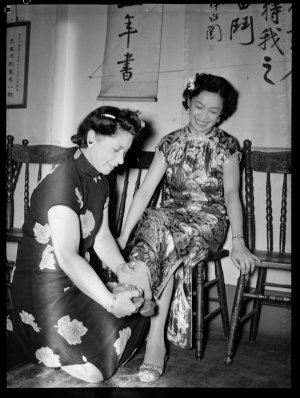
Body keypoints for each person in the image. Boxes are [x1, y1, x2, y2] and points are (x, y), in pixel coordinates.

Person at [117, 73, 260, 383]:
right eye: (199, 107)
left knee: (167, 239)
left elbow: (234, 196)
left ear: (222, 113)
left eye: (213, 111)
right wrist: (123, 235)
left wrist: (238, 241)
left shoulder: (227, 146)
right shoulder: (170, 142)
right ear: (188, 102)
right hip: (172, 215)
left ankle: (155, 339)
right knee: (153, 220)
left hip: (208, 220)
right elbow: (144, 192)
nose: (204, 117)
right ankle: (139, 299)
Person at [8, 106, 151, 383]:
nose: (121, 161)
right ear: (91, 138)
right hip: (43, 289)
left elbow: (102, 237)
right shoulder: (62, 182)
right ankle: (30, 336)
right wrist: (110, 302)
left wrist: (122, 268)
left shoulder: (101, 181)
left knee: (136, 316)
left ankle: (47, 343)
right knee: (98, 370)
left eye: (125, 152)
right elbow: (67, 256)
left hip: (74, 282)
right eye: (116, 150)